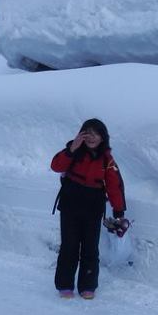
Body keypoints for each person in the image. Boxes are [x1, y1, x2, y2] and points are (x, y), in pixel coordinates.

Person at [50, 118, 126, 299]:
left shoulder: (107, 159)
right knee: (69, 245)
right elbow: (56, 166)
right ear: (81, 134)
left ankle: (88, 285)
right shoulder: (73, 151)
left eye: (96, 133)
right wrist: (72, 149)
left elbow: (115, 185)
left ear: (103, 137)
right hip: (70, 203)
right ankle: (64, 285)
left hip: (93, 205)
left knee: (90, 248)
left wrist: (118, 211)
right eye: (87, 132)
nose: (91, 137)